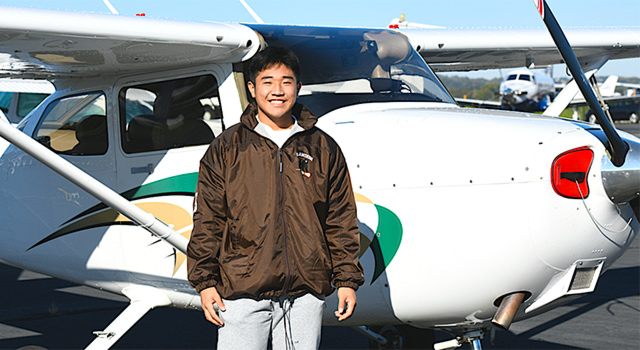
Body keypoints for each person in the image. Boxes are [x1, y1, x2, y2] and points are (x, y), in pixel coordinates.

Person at [187, 46, 364, 350]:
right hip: (241, 287)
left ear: (298, 87)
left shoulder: (323, 147)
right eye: (267, 82)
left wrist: (347, 279)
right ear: (252, 89)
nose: (277, 90)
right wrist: (205, 282)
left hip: (306, 289)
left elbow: (340, 217)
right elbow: (208, 218)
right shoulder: (227, 147)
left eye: (286, 81)